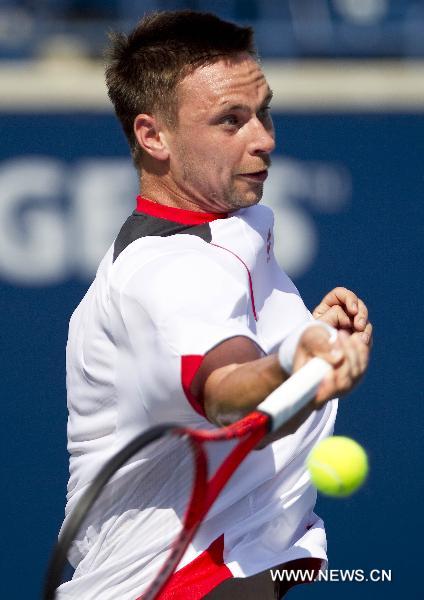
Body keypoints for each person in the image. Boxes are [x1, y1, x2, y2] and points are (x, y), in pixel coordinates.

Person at [58, 10, 372, 600]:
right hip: (184, 586)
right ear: (154, 137)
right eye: (231, 120)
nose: (265, 138)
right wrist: (289, 363)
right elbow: (225, 387)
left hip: (239, 573)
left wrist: (307, 334)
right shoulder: (166, 271)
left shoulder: (229, 227)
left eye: (263, 111)